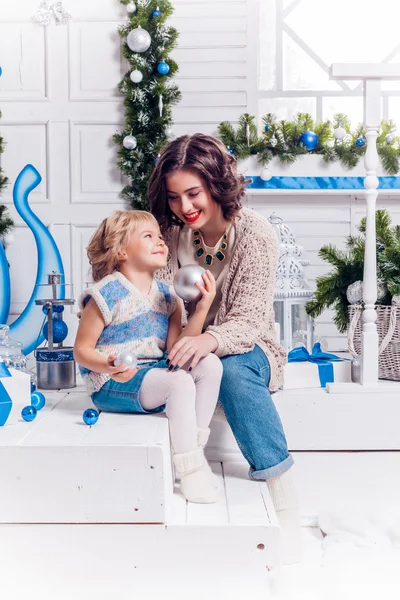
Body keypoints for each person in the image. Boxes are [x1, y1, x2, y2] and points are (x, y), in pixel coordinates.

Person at [148, 133, 301, 563]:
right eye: (175, 196)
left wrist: (209, 339)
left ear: (216, 183)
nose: (185, 206)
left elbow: (250, 321)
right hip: (178, 343)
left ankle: (284, 501)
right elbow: (157, 303)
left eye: (193, 193)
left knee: (230, 369)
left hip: (248, 348)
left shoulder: (255, 233)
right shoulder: (165, 232)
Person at [74, 210, 223, 504]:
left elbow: (178, 349)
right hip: (112, 382)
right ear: (121, 251)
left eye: (160, 237)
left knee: (210, 364)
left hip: (152, 372)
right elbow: (81, 350)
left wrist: (203, 308)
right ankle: (191, 470)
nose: (161, 243)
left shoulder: (169, 296)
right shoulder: (107, 293)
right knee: (179, 383)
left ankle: (191, 449)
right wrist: (109, 365)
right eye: (148, 237)